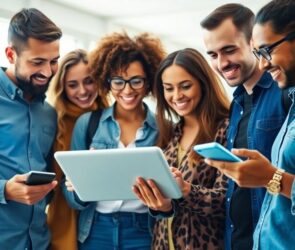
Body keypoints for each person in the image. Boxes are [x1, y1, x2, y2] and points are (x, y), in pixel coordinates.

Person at [62, 32, 165, 249]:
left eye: (136, 81)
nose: (127, 90)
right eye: (118, 81)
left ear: (149, 83)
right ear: (108, 82)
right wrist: (78, 190)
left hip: (143, 231)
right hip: (95, 229)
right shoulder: (88, 124)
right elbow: (70, 196)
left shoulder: (164, 128)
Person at [205, 0, 295, 249]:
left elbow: (274, 179)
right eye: (259, 54)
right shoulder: (240, 104)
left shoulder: (283, 95)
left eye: (266, 51)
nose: (264, 63)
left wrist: (271, 178)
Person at [133, 48, 230, 249]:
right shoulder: (170, 133)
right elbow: (167, 208)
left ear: (203, 84)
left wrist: (186, 190)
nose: (177, 96)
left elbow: (227, 199)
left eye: (185, 86)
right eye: (168, 88)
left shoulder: (225, 130)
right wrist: (162, 206)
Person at [0, 8, 62, 250]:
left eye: (54, 61)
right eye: (37, 62)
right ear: (10, 54)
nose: (47, 72)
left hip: (38, 242)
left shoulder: (48, 113)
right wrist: (5, 189)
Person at [46, 49, 108, 250]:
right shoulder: (53, 121)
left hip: (103, 220)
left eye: (89, 81)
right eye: (73, 85)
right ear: (62, 87)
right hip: (65, 217)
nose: (82, 91)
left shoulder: (110, 119)